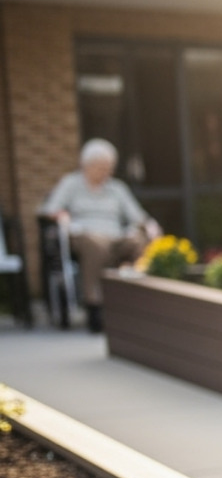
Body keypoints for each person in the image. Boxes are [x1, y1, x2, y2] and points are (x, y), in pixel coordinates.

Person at [42, 138, 160, 332]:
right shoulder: (71, 184)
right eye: (100, 167)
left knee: (139, 240)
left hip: (115, 235)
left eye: (108, 167)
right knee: (96, 245)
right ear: (86, 165)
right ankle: (95, 305)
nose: (105, 172)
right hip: (85, 235)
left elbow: (138, 216)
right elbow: (49, 209)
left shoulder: (117, 188)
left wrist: (150, 225)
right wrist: (60, 214)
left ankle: (137, 300)